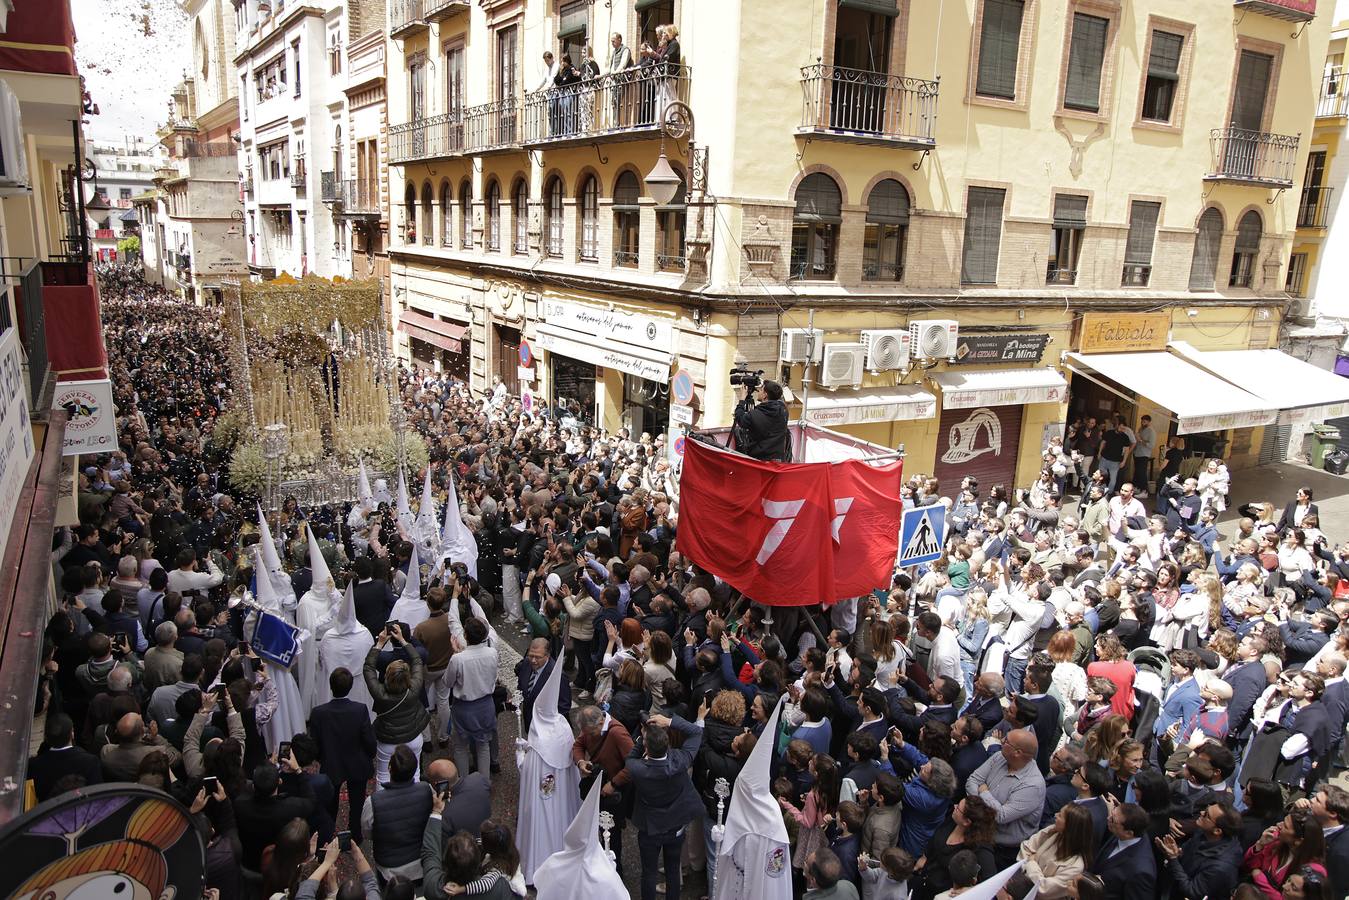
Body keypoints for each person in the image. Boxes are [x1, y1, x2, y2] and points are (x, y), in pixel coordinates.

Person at [518, 646, 582, 884]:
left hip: (542, 794)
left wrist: (519, 754)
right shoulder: (565, 729)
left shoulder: (537, 742)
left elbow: (527, 771)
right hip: (561, 796)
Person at [628, 709, 706, 900]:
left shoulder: (637, 768)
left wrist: (642, 736)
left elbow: (630, 757)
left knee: (649, 873)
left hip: (650, 829)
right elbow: (696, 732)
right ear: (668, 744)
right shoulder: (681, 761)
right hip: (675, 826)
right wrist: (670, 722)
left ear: (647, 747)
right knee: (672, 870)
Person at [308, 666, 377, 845]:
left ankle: (328, 836)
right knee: (357, 802)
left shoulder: (318, 713)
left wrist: (323, 758)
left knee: (330, 803)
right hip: (357, 762)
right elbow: (368, 739)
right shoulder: (360, 710)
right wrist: (370, 754)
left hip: (331, 763)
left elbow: (313, 745)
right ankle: (355, 835)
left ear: (331, 687)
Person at [966, 727, 1046, 868]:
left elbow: (1000, 816)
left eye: (1007, 741)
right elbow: (973, 780)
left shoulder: (1033, 785)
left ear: (1017, 752)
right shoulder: (1000, 756)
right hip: (977, 830)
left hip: (1001, 849)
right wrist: (980, 804)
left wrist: (984, 792)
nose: (1002, 741)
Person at [364, 623, 429, 788]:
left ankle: (382, 806)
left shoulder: (380, 693)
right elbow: (416, 660)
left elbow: (369, 667)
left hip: (388, 739)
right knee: (415, 774)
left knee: (383, 775)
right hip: (413, 736)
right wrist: (403, 640)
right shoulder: (413, 688)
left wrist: (379, 643)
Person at [363, 743, 433, 884]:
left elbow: (367, 833)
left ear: (390, 769)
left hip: (389, 869)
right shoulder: (427, 790)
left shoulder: (373, 802)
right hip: (421, 862)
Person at [1154, 800, 1243, 900]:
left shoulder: (1219, 867)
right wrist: (1177, 852)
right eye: (1205, 809)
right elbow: (1187, 850)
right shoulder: (1203, 832)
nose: (1201, 813)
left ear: (1217, 831)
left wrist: (1173, 859)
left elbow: (1192, 892)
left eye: (1206, 815)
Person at [1018, 803, 1095, 898]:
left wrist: (1031, 863)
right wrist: (1036, 874)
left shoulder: (1075, 866)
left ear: (1069, 826)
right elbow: (1026, 847)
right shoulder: (1052, 831)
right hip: (1021, 886)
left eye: (1060, 815)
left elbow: (1044, 889)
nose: (1056, 815)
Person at [1089, 803, 1156, 900]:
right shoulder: (1121, 832)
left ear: (1129, 833)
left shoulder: (1140, 871)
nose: (1108, 818)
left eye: (1112, 819)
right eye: (1112, 814)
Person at [732, 379, 790, 462]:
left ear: (765, 395)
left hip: (759, 461)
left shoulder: (755, 415)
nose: (758, 391)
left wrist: (742, 400)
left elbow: (740, 418)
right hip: (777, 461)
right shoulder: (783, 411)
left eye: (761, 389)